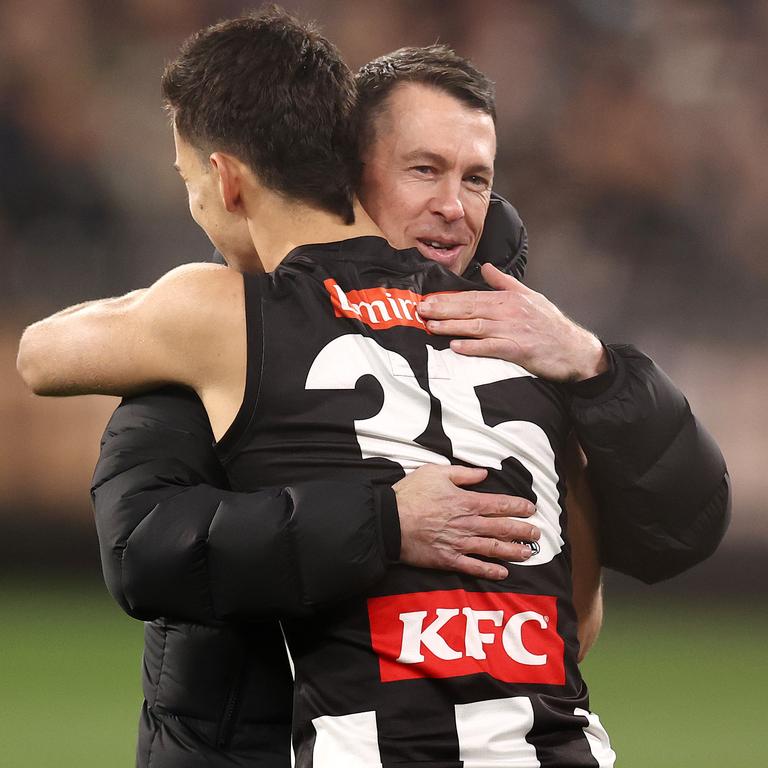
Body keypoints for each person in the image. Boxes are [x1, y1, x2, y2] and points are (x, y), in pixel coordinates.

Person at [18, 12, 729, 767]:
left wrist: (597, 367)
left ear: (225, 180)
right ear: (348, 170)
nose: (454, 205)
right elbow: (573, 624)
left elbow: (43, 356)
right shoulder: (520, 338)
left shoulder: (226, 317)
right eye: (424, 170)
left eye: (476, 178)